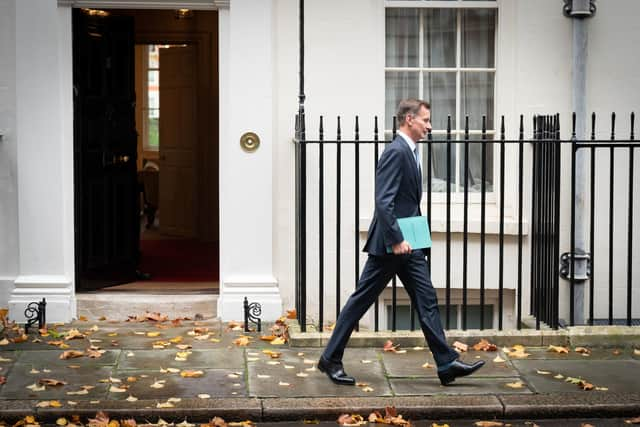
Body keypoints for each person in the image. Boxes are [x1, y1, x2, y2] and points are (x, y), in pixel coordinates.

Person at [317, 98, 484, 386]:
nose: (430, 126)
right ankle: (330, 359)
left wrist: (413, 238)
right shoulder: (396, 152)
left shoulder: (412, 151)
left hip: (410, 242)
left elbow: (407, 202)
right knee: (361, 300)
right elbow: (384, 201)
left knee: (426, 298)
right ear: (409, 119)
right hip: (392, 244)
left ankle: (446, 363)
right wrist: (396, 240)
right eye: (426, 120)